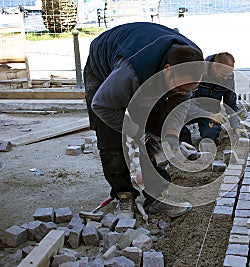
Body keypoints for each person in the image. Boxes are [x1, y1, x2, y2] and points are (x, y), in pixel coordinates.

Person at [84, 22, 226, 219]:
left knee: (157, 128)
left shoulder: (190, 64)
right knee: (111, 137)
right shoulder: (131, 72)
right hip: (103, 67)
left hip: (150, 69)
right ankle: (123, 195)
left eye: (190, 89)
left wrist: (168, 135)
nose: (183, 92)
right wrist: (138, 134)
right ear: (167, 70)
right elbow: (102, 106)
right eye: (180, 87)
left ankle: (157, 197)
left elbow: (179, 104)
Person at [180, 52, 247, 144]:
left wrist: (236, 126)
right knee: (176, 126)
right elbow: (186, 104)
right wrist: (209, 115)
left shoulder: (228, 77)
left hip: (211, 112)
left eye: (228, 75)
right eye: (223, 75)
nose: (225, 78)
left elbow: (230, 104)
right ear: (214, 66)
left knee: (210, 136)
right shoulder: (198, 71)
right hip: (190, 109)